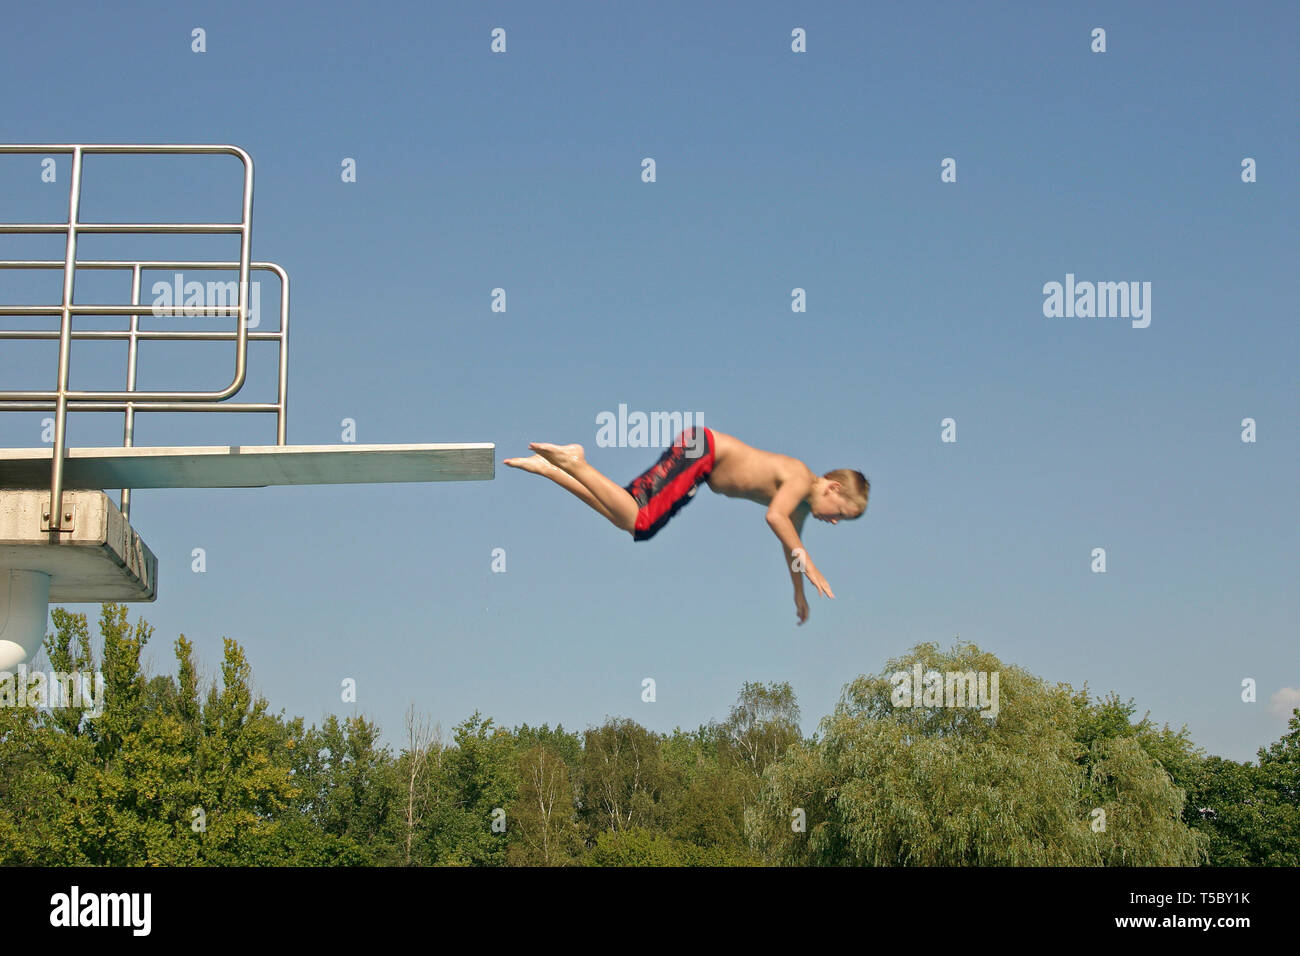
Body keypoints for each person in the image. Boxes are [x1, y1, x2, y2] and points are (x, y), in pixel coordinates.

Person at [504, 426, 868, 624]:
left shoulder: (802, 506)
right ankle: (575, 461)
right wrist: (814, 569)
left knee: (627, 518)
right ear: (834, 487)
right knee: (641, 521)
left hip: (698, 450)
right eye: (840, 512)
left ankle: (555, 470)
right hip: (703, 452)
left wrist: (799, 593)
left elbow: (790, 547)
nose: (834, 520)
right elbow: (774, 518)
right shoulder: (801, 478)